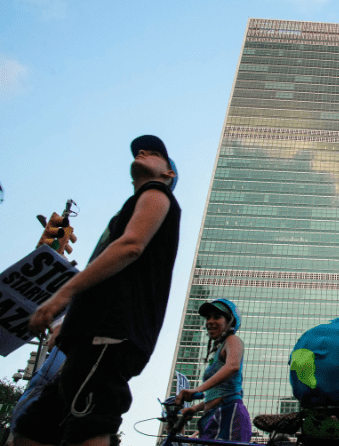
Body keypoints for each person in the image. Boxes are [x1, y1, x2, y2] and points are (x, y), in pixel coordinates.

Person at [17, 135, 180, 446]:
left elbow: (131, 247)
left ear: (168, 173)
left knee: (89, 428)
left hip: (111, 333)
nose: (143, 152)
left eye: (154, 152)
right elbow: (108, 273)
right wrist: (70, 320)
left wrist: (61, 296)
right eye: (139, 150)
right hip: (91, 332)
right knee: (32, 430)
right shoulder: (128, 210)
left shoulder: (157, 193)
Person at [175, 299, 252, 442]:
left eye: (217, 317)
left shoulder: (233, 340)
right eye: (208, 317)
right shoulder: (218, 351)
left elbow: (233, 366)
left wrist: (196, 390)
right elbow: (216, 393)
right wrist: (195, 408)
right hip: (214, 415)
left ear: (230, 322)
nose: (210, 321)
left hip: (229, 413)